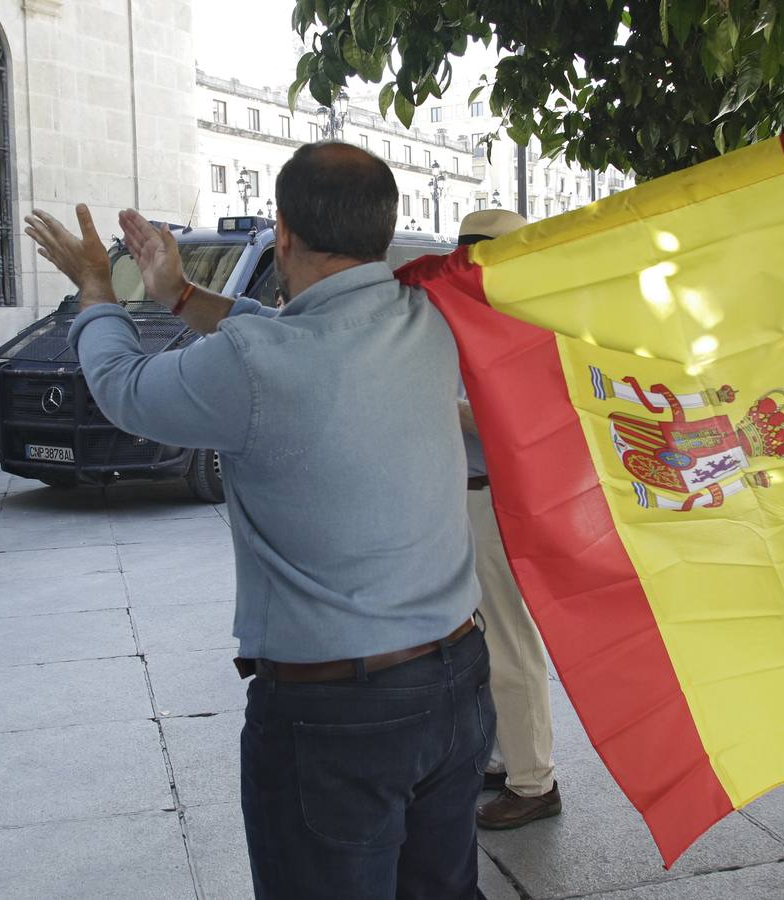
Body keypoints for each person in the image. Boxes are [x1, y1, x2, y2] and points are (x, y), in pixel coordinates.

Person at [25, 142, 494, 900]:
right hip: (458, 683)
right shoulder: (428, 318)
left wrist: (97, 293)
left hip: (336, 715)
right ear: (383, 227)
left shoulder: (254, 361)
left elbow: (122, 387)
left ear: (281, 234)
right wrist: (180, 294)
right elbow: (278, 331)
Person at [453, 210, 563, 830]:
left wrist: (444, 402)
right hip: (468, 495)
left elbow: (517, 423)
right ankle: (505, 759)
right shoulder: (483, 318)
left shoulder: (523, 324)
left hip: (497, 497)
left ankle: (533, 779)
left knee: (508, 640)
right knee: (482, 638)